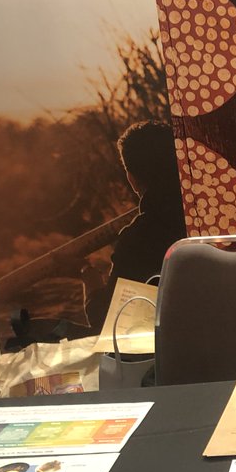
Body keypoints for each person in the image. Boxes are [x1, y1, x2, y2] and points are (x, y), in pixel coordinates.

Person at [83, 120, 187, 328]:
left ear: (132, 178)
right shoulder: (219, 211)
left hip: (174, 348)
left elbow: (109, 323)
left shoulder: (140, 239)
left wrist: (91, 284)